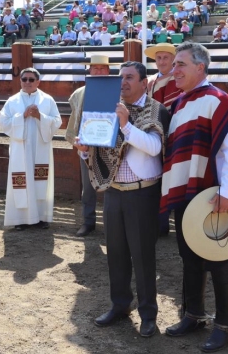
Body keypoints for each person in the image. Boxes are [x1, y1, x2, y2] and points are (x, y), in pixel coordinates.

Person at [161, 43, 228, 352]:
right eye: (174, 65)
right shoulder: (181, 103)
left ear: (201, 67)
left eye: (181, 64)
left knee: (220, 258)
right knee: (189, 256)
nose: (175, 70)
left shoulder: (219, 102)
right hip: (186, 193)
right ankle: (193, 315)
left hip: (212, 195)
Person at [75, 61, 169, 337]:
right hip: (114, 189)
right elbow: (96, 147)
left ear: (144, 82)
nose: (123, 82)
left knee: (142, 256)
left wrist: (126, 125)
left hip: (143, 192)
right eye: (121, 78)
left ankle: (148, 314)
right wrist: (83, 149)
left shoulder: (156, 109)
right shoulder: (109, 107)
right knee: (115, 253)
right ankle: (120, 305)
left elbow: (154, 148)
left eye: (130, 77)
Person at [0, 68, 61, 230]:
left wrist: (40, 116)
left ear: (38, 82)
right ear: (20, 81)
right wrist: (23, 116)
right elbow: (4, 123)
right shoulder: (12, 101)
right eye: (24, 79)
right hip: (20, 149)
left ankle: (41, 217)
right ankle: (20, 220)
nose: (27, 82)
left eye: (31, 79)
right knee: (21, 180)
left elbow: (57, 121)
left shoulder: (47, 100)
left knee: (41, 181)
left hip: (41, 147)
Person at [65, 55, 118, 236]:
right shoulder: (79, 94)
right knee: (88, 188)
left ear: (108, 71)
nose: (99, 71)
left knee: (114, 186)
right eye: (95, 68)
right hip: (87, 147)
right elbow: (74, 122)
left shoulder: (118, 91)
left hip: (114, 147)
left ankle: (112, 224)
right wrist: (78, 143)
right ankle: (88, 222)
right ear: (89, 71)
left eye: (102, 68)